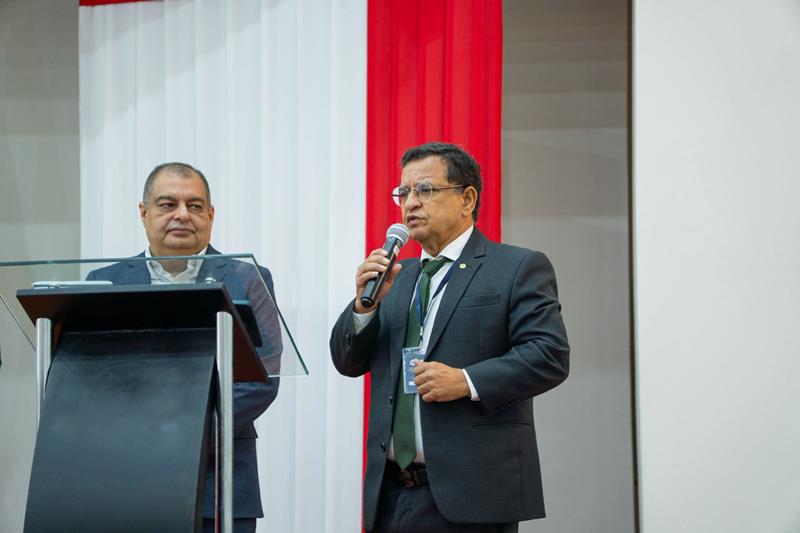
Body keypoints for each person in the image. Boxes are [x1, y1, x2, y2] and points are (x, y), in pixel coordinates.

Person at [329, 142, 570, 532]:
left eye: (424, 190)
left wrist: (466, 380)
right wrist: (363, 307)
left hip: (474, 495)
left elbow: (548, 355)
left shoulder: (515, 267)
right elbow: (347, 362)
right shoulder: (395, 278)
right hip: (391, 495)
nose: (410, 203)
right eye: (404, 192)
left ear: (467, 199)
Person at [86, 162, 279, 533]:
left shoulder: (248, 278)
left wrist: (184, 433)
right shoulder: (106, 282)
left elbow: (263, 376)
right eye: (167, 204)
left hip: (220, 480)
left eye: (194, 206)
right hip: (125, 479)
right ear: (143, 212)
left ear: (210, 215)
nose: (182, 215)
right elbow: (95, 379)